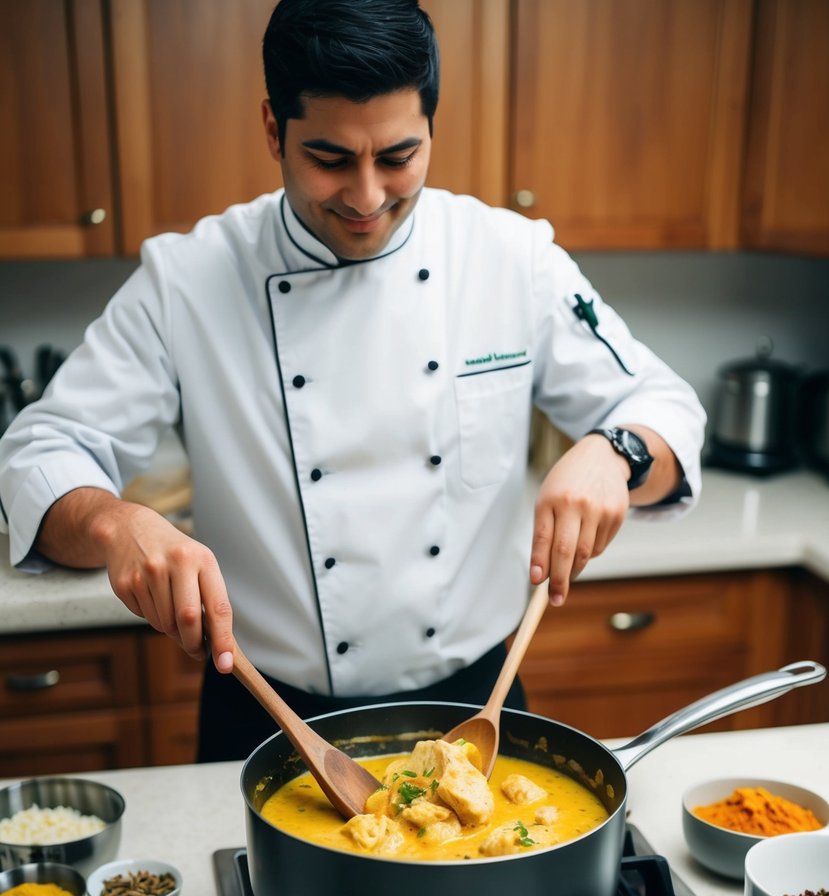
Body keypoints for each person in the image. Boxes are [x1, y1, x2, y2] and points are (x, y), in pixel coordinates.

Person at [0, 0, 705, 762]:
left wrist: (615, 451)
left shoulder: (509, 258)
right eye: (330, 159)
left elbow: (662, 407)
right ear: (273, 129)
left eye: (398, 157)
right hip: (266, 717)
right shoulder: (189, 279)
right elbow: (40, 451)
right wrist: (118, 526)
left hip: (477, 702)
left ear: (432, 129)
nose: (366, 198)